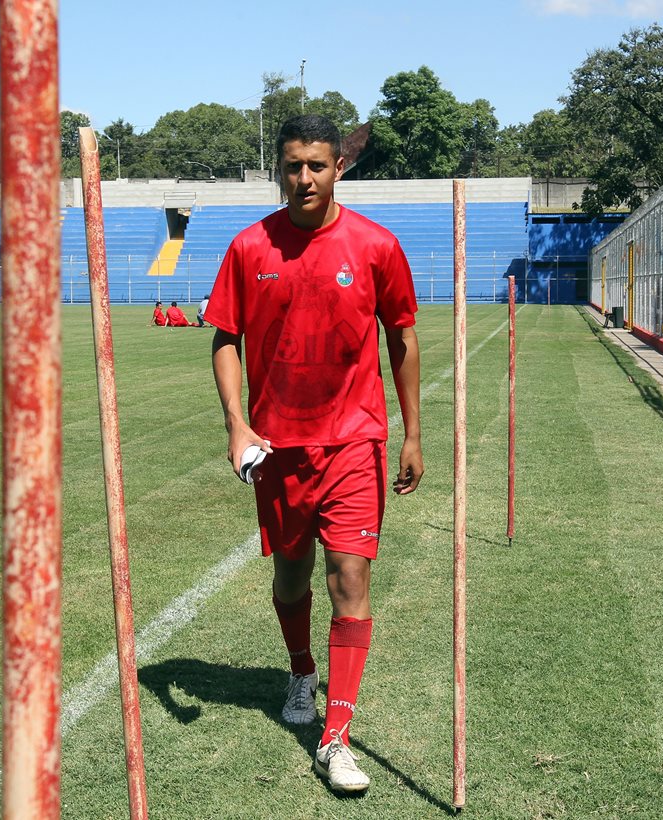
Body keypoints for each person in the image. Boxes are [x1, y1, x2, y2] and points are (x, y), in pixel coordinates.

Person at [205, 114, 423, 795]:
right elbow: (224, 338)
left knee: (349, 582)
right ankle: (301, 671)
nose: (305, 178)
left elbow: (403, 339)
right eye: (294, 165)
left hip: (355, 440)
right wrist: (238, 424)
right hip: (278, 449)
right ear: (279, 167)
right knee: (293, 580)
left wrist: (412, 433)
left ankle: (335, 736)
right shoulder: (248, 248)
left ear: (339, 167)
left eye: (318, 165)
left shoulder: (377, 246)